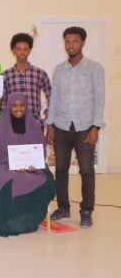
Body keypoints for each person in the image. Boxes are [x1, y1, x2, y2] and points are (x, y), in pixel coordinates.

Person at [46, 26, 105, 228]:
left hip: (85, 127)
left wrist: (96, 127)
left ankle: (86, 210)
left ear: (83, 43)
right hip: (61, 125)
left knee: (87, 170)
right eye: (67, 41)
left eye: (75, 41)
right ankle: (63, 207)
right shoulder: (59, 69)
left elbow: (99, 99)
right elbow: (53, 100)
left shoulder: (94, 68)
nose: (71, 45)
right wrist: (50, 125)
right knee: (61, 168)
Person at [0, 93, 55, 237]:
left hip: (31, 168)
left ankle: (29, 220)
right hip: (5, 165)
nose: (19, 109)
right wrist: (11, 163)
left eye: (22, 105)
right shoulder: (0, 125)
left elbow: (39, 150)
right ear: (9, 107)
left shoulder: (34, 126)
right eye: (15, 105)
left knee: (48, 181)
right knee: (8, 183)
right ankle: (7, 223)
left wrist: (35, 164)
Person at [0, 33, 51, 125]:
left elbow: (51, 95)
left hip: (35, 123)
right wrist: (4, 121)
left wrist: (48, 112)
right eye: (19, 49)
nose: (22, 52)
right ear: (13, 51)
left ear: (29, 51)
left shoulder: (40, 73)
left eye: (25, 49)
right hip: (12, 124)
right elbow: (3, 102)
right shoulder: (6, 75)